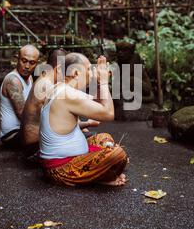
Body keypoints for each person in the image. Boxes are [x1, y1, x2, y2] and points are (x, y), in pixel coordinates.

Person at [39, 53, 128, 187]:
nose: (91, 74)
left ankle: (104, 172)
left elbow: (98, 103)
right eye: (88, 70)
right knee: (118, 154)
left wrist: (99, 83)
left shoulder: (60, 88)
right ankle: (103, 176)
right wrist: (104, 82)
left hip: (67, 159)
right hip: (62, 168)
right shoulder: (67, 94)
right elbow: (108, 113)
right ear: (75, 72)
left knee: (104, 137)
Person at [20, 48, 100, 158]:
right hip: (34, 148)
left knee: (87, 137)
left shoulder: (43, 80)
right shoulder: (46, 86)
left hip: (35, 144)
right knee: (95, 140)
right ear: (58, 68)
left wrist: (85, 124)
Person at [0, 44, 39, 147]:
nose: (27, 66)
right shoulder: (13, 80)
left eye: (32, 63)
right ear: (17, 59)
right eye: (24, 61)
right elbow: (24, 115)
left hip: (24, 129)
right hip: (12, 134)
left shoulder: (29, 78)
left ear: (36, 64)